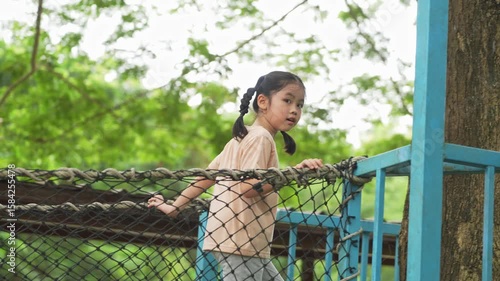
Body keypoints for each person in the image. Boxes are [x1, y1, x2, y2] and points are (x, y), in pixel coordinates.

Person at [148, 71, 323, 281]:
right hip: (241, 241)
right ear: (263, 101)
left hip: (238, 240)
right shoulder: (261, 137)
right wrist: (294, 174)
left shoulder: (240, 139)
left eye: (300, 105)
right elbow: (248, 188)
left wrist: (175, 207)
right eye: (287, 100)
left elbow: (207, 176)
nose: (294, 110)